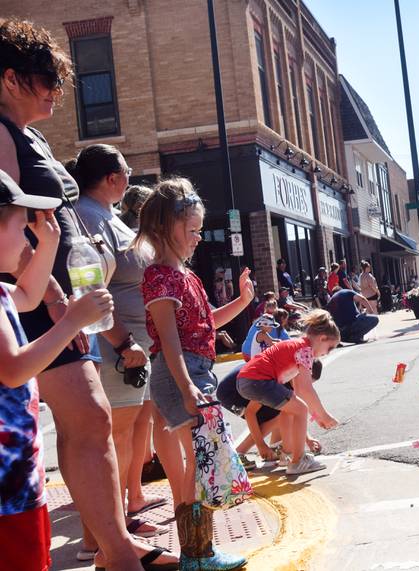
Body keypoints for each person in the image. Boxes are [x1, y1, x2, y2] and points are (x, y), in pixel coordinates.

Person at [0, 18, 167, 570]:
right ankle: (114, 550)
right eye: (46, 78)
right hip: (36, 299)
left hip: (60, 296)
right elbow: (10, 222)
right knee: (91, 418)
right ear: (10, 78)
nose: (56, 90)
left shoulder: (29, 135)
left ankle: (110, 546)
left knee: (90, 421)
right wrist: (52, 300)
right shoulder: (1, 133)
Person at [0, 171, 118, 571]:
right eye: (22, 228)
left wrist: (48, 241)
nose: (26, 241)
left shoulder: (2, 292)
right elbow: (12, 370)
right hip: (7, 490)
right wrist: (70, 322)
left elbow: (31, 294)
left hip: (18, 480)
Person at [135, 177, 253, 570]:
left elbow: (206, 324)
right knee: (197, 463)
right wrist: (187, 387)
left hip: (194, 373)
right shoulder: (159, 276)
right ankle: (197, 554)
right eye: (193, 230)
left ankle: (200, 552)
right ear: (165, 228)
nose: (199, 238)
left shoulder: (186, 276)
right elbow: (169, 340)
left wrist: (243, 301)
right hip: (181, 374)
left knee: (201, 462)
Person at [73, 145, 176, 553]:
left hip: (132, 346)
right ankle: (103, 537)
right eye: (127, 171)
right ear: (112, 177)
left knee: (130, 435)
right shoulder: (89, 216)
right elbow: (89, 289)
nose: (131, 178)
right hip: (118, 348)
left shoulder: (107, 215)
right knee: (113, 439)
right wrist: (123, 341)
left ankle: (118, 522)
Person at [237, 310, 339, 474]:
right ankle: (298, 461)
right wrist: (324, 415)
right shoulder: (305, 350)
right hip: (257, 380)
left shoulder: (297, 346)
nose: (327, 353)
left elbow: (299, 391)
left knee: (291, 409)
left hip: (246, 380)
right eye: (330, 348)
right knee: (300, 409)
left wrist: (318, 415)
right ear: (322, 339)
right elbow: (306, 388)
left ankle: (288, 454)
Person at [218, 359, 323, 469]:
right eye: (305, 383)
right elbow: (250, 413)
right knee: (280, 412)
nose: (304, 388)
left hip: (245, 381)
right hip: (231, 392)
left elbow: (297, 413)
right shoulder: (277, 380)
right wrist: (261, 445)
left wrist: (308, 439)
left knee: (284, 407)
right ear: (300, 372)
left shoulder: (291, 376)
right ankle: (239, 453)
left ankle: (276, 446)